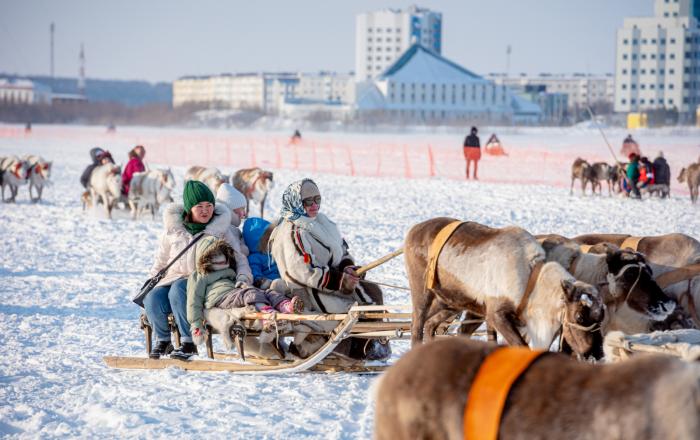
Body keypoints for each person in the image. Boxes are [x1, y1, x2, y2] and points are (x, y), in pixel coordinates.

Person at [270, 178, 391, 361]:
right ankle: (346, 351)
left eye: (317, 199)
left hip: (331, 282)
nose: (314, 205)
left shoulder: (323, 222)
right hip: (306, 290)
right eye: (307, 201)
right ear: (295, 202)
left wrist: (348, 268)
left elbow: (341, 251)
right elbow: (302, 271)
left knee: (372, 291)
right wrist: (340, 281)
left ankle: (369, 344)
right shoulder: (292, 231)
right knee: (351, 309)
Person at [144, 180, 232, 360]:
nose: (205, 210)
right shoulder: (174, 231)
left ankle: (188, 342)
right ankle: (163, 340)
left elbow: (239, 257)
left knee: (178, 290)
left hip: (204, 281)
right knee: (152, 297)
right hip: (174, 277)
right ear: (189, 208)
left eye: (209, 205)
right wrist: (150, 282)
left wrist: (244, 277)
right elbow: (161, 260)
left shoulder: (220, 231)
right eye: (199, 206)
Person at [187, 236, 302, 345]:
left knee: (266, 292)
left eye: (222, 253)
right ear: (205, 258)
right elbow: (194, 300)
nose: (221, 257)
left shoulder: (230, 271)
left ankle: (285, 305)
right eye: (215, 254)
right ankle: (266, 314)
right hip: (220, 299)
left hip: (235, 293)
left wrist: (241, 283)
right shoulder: (200, 275)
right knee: (250, 292)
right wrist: (196, 324)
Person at [214, 183, 253, 285]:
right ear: (231, 208)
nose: (244, 214)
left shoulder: (234, 230)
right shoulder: (223, 229)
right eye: (241, 209)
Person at [243, 217, 282, 290]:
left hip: (285, 279)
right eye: (267, 239)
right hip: (270, 284)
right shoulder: (254, 257)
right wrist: (260, 280)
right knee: (277, 287)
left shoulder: (275, 251)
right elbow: (254, 269)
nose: (271, 240)